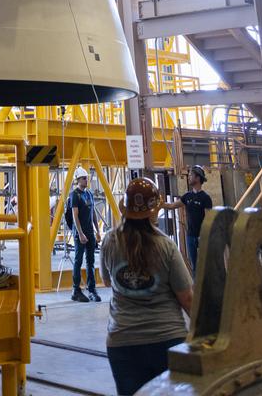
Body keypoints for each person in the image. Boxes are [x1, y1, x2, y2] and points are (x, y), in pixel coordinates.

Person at [100, 177, 193, 395]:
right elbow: (187, 298)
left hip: (122, 342)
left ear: (125, 209)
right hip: (167, 340)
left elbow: (106, 280)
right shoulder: (166, 246)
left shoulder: (109, 242)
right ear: (154, 210)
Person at [164, 166, 212, 273]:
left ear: (198, 178)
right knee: (195, 266)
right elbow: (172, 206)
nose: (189, 177)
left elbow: (209, 219)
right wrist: (159, 204)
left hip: (202, 237)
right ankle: (196, 288)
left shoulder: (205, 198)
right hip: (190, 237)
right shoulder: (187, 196)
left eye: (191, 175)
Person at [69, 165, 101, 303]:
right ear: (77, 180)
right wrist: (80, 234)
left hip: (90, 233)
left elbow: (93, 212)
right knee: (78, 260)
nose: (86, 180)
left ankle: (92, 289)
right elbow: (75, 215)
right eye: (83, 178)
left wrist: (97, 231)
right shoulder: (74, 195)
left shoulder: (88, 194)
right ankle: (76, 290)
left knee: (90, 261)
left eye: (86, 178)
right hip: (80, 234)